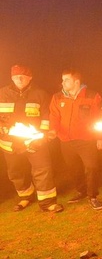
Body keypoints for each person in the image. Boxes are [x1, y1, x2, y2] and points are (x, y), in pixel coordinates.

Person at [0, 65, 63, 213]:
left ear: (30, 77)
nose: (19, 79)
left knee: (42, 170)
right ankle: (26, 196)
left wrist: (42, 136)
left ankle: (47, 202)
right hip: (9, 143)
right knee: (16, 172)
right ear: (11, 78)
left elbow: (46, 118)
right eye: (16, 77)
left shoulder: (40, 94)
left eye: (23, 76)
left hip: (35, 142)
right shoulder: (2, 94)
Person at [48, 68, 102, 210]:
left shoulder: (93, 96)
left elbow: (100, 118)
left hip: (86, 140)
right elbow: (54, 116)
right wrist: (53, 131)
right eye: (62, 80)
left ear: (76, 81)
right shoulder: (57, 97)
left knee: (91, 167)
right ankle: (81, 191)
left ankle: (93, 196)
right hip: (66, 141)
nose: (63, 83)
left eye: (66, 80)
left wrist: (101, 136)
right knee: (74, 169)